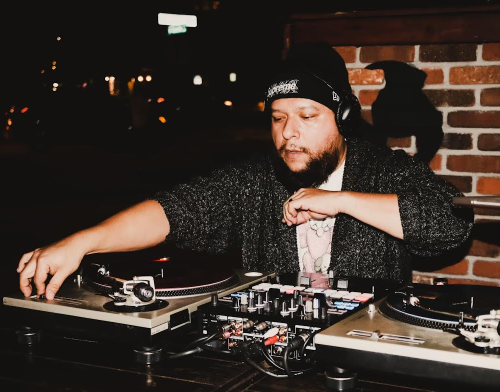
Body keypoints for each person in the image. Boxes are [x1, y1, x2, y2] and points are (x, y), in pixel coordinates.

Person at [17, 42, 473, 301]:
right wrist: (81, 242)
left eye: (307, 116)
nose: (288, 133)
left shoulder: (386, 171)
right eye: (278, 118)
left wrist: (338, 201)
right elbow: (175, 210)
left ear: (344, 118)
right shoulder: (255, 180)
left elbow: (451, 224)